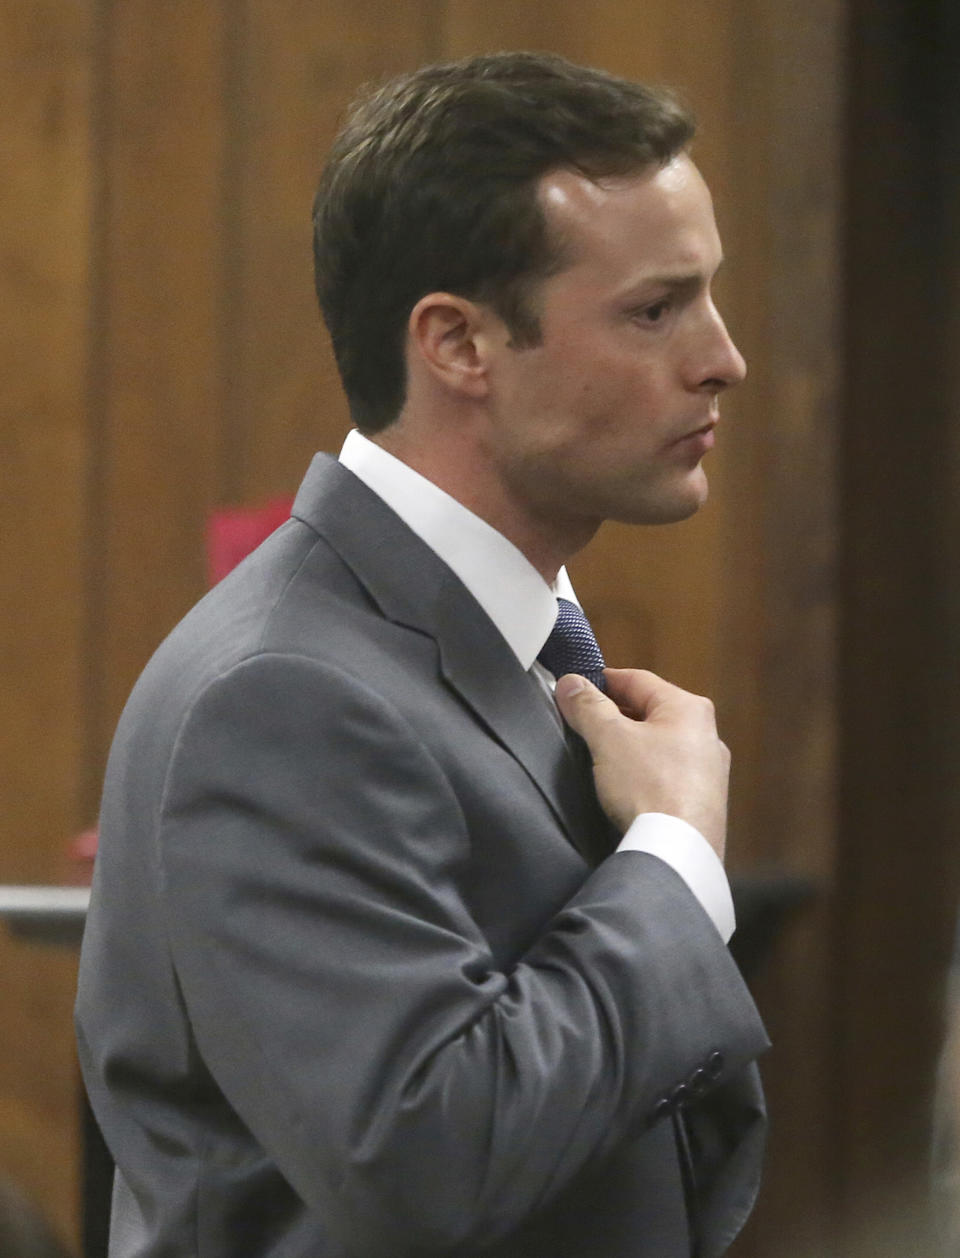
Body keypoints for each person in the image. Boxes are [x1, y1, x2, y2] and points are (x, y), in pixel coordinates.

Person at [76, 51, 769, 1258]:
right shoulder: (280, 694)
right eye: (656, 309)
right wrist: (671, 857)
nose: (723, 357)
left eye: (709, 297)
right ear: (457, 344)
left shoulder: (510, 646)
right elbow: (431, 1159)